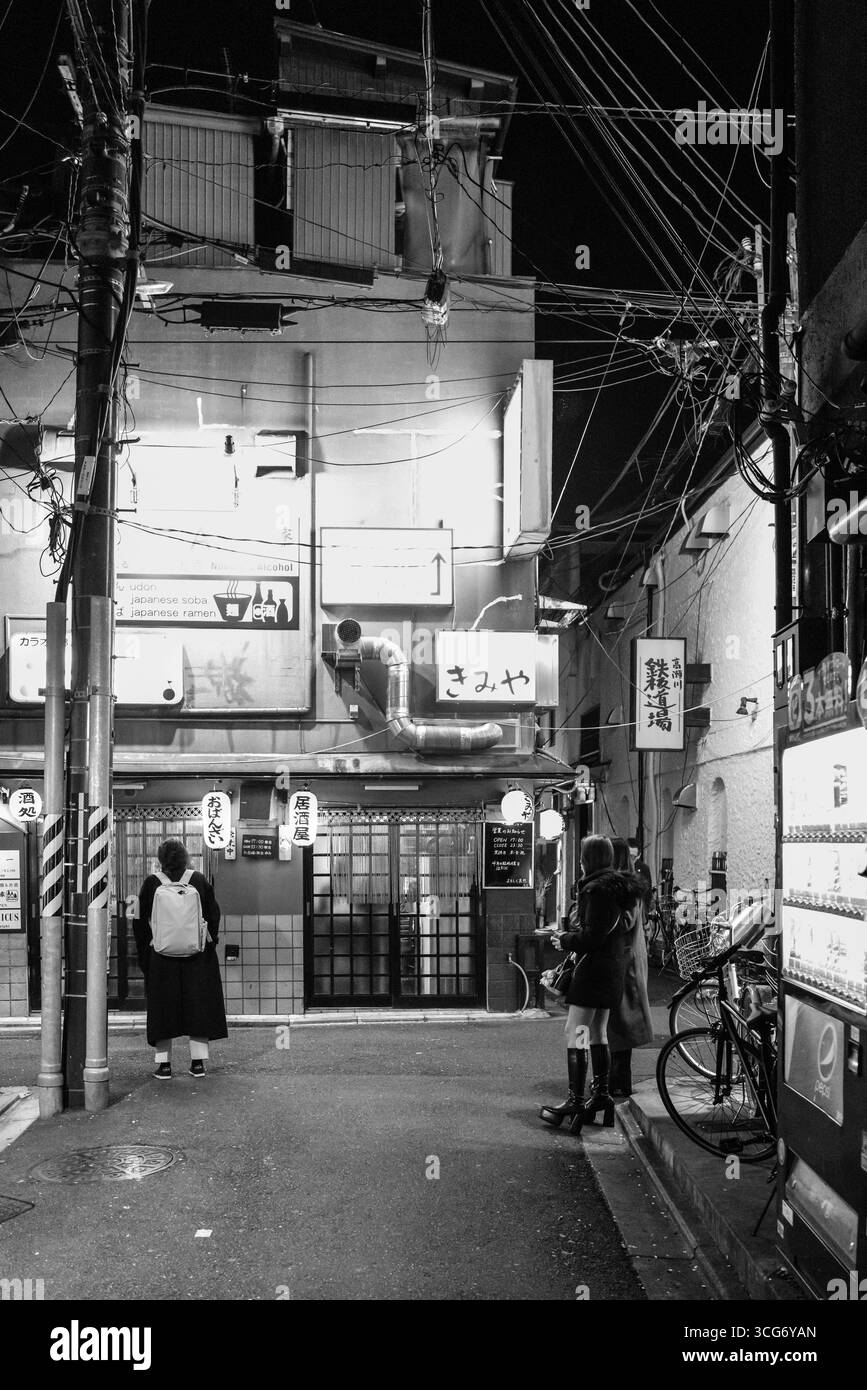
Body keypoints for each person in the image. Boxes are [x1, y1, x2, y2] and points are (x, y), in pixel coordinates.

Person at [538, 834, 634, 1133]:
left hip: (593, 972)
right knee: (597, 1033)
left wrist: (564, 940)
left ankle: (576, 1100)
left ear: (587, 859)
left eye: (581, 855)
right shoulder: (619, 889)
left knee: (575, 1032)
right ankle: (601, 1097)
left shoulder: (596, 890)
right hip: (612, 970)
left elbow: (592, 937)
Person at [133, 839, 227, 1079]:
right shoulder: (198, 880)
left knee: (163, 1010)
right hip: (197, 958)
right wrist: (208, 943)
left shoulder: (152, 883)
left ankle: (164, 1065)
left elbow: (140, 924)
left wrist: (147, 958)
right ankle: (197, 1063)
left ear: (160, 859)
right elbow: (214, 915)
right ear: (186, 857)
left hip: (162, 957)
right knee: (198, 1007)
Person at [607, 838, 654, 1096]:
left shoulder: (624, 889)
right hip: (630, 959)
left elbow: (624, 923)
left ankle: (618, 1083)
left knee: (621, 1024)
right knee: (619, 1025)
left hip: (625, 963)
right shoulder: (630, 886)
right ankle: (617, 1081)